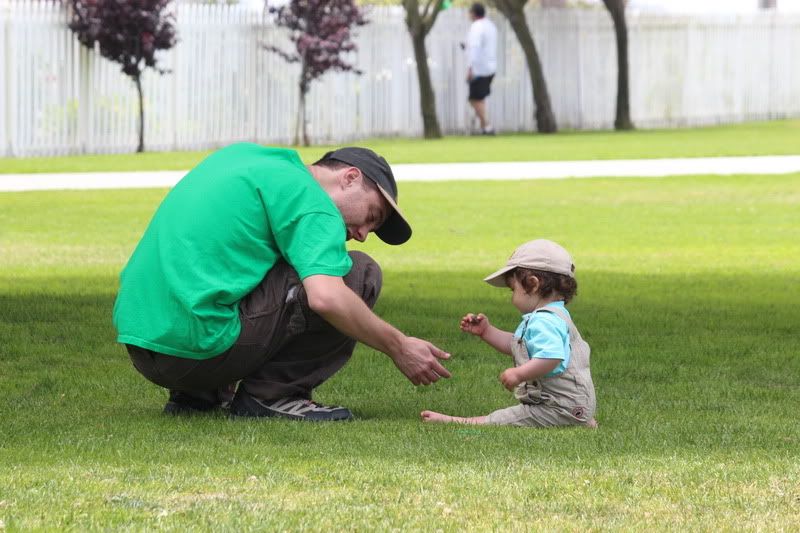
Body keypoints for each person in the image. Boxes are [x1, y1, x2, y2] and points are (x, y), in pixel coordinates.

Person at [113, 143, 451, 421]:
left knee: (277, 258)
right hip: (196, 352)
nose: (363, 234)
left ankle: (198, 396)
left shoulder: (246, 158)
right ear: (350, 178)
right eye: (372, 216)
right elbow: (327, 297)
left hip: (143, 345)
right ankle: (273, 396)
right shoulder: (314, 203)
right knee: (359, 272)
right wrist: (399, 346)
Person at [421, 239, 597, 428]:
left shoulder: (544, 321)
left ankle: (461, 422)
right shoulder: (556, 315)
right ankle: (579, 417)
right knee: (559, 412)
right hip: (572, 403)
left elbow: (551, 357)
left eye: (513, 290)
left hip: (557, 406)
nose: (512, 297)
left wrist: (519, 373)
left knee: (512, 417)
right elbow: (519, 345)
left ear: (533, 284)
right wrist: (487, 331)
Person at [465, 2, 498, 135]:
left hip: (479, 69)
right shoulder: (490, 26)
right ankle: (484, 127)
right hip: (491, 67)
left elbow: (475, 48)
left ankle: (487, 126)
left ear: (473, 13)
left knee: (474, 99)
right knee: (480, 98)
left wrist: (470, 68)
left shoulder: (477, 27)